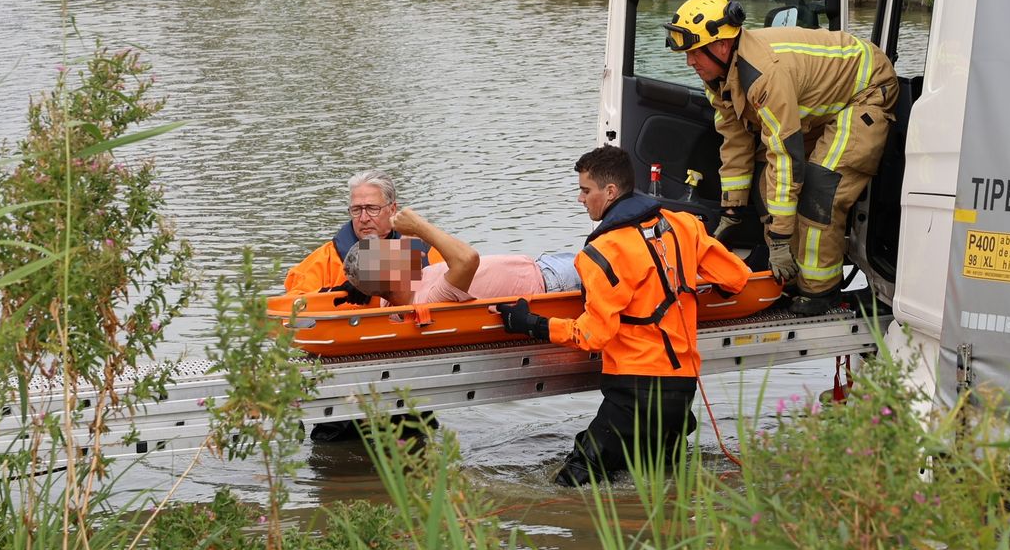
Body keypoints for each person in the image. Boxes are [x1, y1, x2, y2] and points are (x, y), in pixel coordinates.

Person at [496, 145, 751, 488]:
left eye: (586, 190)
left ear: (611, 191)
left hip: (634, 390)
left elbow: (593, 336)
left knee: (570, 485)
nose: (580, 199)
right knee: (660, 482)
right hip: (682, 388)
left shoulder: (602, 253)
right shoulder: (684, 225)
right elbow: (736, 278)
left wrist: (530, 324)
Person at [663, 0, 897, 315]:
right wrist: (731, 211)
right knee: (765, 185)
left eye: (693, 53)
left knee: (820, 190)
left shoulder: (763, 76)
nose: (690, 62)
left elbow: (786, 157)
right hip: (825, 104)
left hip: (866, 92)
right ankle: (788, 278)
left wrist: (780, 238)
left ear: (721, 45)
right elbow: (734, 142)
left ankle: (820, 290)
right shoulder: (718, 78)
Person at [342, 209, 582, 306]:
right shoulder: (430, 300)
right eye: (389, 252)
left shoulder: (394, 296)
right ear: (390, 274)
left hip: (543, 265)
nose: (396, 247)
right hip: (553, 282)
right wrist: (418, 224)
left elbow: (414, 244)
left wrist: (399, 222)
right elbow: (467, 258)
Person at [282, 169, 441, 299]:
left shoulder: (424, 249)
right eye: (356, 210)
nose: (364, 218)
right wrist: (338, 293)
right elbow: (293, 301)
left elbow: (459, 275)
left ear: (392, 209)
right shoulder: (330, 257)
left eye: (372, 209)